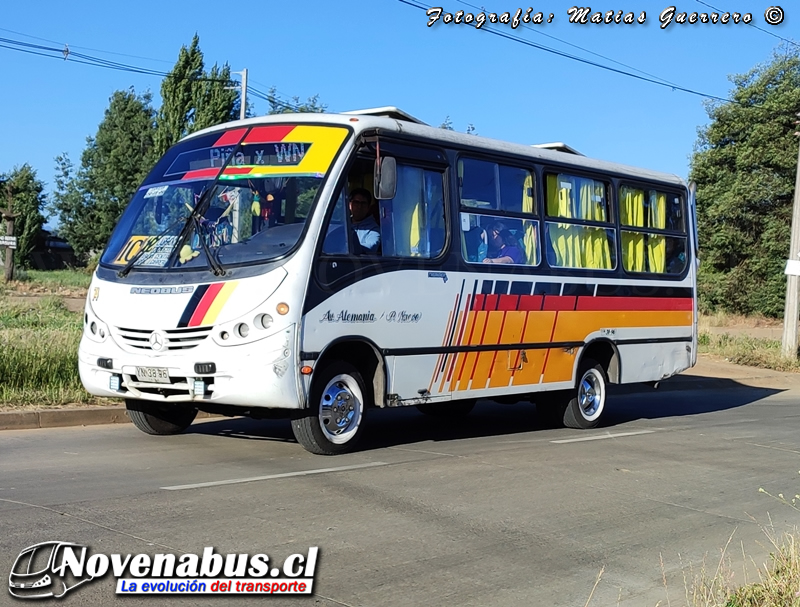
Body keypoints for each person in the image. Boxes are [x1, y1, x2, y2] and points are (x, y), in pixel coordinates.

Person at [349, 188, 381, 254]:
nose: (359, 206)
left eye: (363, 203)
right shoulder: (343, 224)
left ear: (368, 207)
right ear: (350, 205)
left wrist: (350, 247)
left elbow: (371, 247)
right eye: (356, 202)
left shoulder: (373, 229)